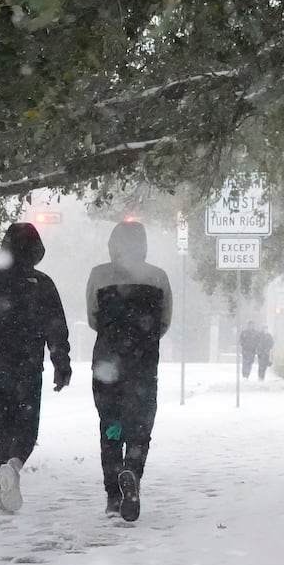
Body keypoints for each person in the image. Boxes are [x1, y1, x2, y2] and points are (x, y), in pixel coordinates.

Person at [0, 222, 71, 514]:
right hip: (26, 368)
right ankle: (13, 468)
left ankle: (1, 494)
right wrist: (61, 365)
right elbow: (56, 328)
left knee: (1, 431)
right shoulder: (41, 283)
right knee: (26, 431)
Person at [86, 220, 172, 522]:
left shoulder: (99, 276)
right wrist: (142, 339)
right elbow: (164, 322)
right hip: (143, 365)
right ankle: (131, 472)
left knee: (110, 425)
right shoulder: (158, 278)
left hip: (107, 364)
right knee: (140, 426)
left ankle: (112, 497)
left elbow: (92, 318)